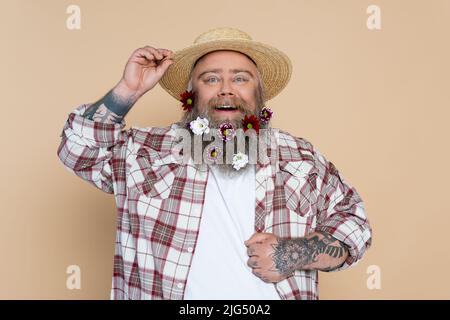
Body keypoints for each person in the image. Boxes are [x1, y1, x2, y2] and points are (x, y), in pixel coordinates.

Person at [57, 27, 372, 300]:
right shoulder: (144, 152)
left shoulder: (300, 157)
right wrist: (128, 90)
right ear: (190, 94)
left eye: (240, 78)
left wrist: (296, 252)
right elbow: (77, 148)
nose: (225, 88)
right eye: (210, 79)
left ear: (259, 93)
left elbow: (355, 225)